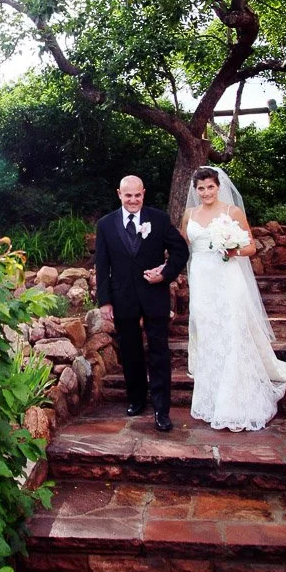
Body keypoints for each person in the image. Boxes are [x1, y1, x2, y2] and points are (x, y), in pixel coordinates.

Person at [181, 165, 286, 432]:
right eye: (201, 188)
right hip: (202, 280)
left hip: (228, 279)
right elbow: (186, 247)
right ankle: (212, 395)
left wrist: (231, 249)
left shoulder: (232, 212)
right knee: (208, 333)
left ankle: (236, 401)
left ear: (219, 186)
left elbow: (250, 247)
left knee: (232, 332)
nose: (206, 192)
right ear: (195, 190)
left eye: (210, 187)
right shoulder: (189, 214)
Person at [96, 175, 189, 429]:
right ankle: (136, 399)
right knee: (130, 352)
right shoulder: (105, 225)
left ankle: (162, 410)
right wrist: (104, 301)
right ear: (119, 194)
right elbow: (102, 266)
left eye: (138, 195)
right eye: (128, 195)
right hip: (122, 297)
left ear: (144, 193)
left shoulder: (158, 219)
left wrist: (165, 274)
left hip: (154, 296)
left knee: (159, 353)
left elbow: (181, 251)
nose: (133, 200)